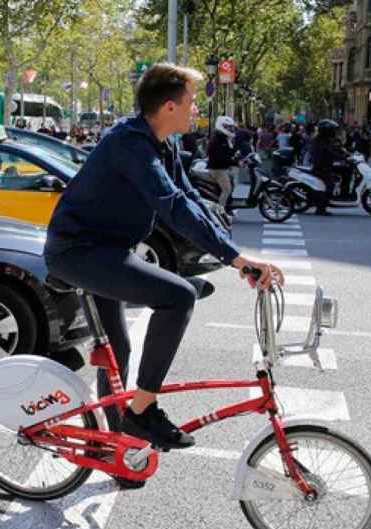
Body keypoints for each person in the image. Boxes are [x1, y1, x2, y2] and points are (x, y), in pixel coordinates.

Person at [44, 63, 282, 487]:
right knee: (177, 298)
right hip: (78, 253)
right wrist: (236, 260)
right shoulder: (130, 143)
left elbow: (189, 198)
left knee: (116, 350)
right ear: (169, 105)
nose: (195, 112)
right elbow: (170, 204)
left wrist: (236, 255)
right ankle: (142, 410)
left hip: (108, 251)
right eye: (191, 103)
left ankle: (117, 447)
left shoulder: (163, 143)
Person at [309, 119, 346, 216]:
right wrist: (341, 157)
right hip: (321, 167)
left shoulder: (324, 139)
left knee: (344, 172)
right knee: (330, 185)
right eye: (332, 130)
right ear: (327, 131)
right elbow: (329, 152)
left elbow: (335, 149)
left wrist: (345, 154)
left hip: (325, 165)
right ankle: (320, 209)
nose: (334, 132)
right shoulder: (320, 141)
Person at [206, 115, 238, 212]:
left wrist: (236, 157)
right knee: (226, 189)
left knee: (230, 185)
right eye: (227, 126)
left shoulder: (224, 138)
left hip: (222, 168)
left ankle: (228, 207)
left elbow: (228, 153)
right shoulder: (218, 139)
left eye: (230, 127)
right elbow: (221, 157)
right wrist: (235, 161)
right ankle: (220, 211)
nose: (230, 129)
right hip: (218, 170)